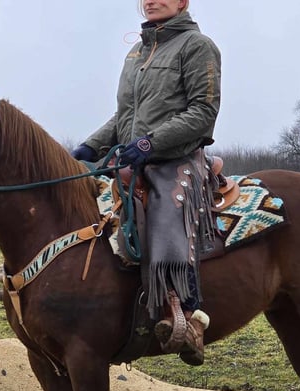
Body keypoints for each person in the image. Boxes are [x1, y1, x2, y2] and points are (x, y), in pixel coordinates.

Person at [72, 0, 221, 366]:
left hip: (177, 158)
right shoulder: (138, 50)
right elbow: (125, 114)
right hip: (134, 157)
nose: (152, 1)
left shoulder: (197, 46)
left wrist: (150, 143)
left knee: (164, 210)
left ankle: (187, 316)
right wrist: (92, 145)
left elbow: (203, 110)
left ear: (183, 2)